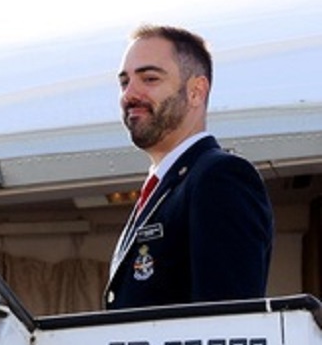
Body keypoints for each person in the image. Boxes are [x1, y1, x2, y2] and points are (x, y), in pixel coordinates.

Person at [106, 24, 274, 309]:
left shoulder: (219, 177)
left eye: (149, 78)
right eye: (125, 82)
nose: (129, 94)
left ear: (196, 91)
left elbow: (225, 325)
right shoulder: (164, 190)